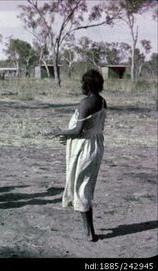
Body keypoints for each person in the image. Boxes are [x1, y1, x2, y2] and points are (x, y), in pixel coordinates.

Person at [52, 69, 107, 242]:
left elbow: (78, 130)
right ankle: (87, 230)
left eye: (83, 83)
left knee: (82, 188)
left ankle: (89, 233)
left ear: (88, 84)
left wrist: (60, 132)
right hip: (94, 145)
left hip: (84, 148)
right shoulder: (102, 101)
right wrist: (67, 137)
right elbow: (88, 129)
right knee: (84, 186)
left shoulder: (86, 103)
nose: (82, 86)